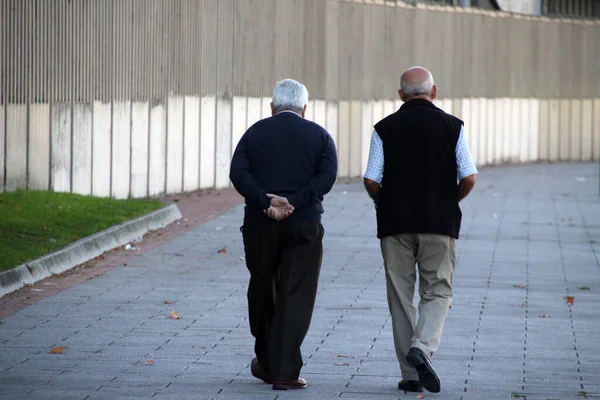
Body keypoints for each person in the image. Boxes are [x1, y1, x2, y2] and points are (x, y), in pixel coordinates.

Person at [363, 67, 477, 394]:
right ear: (434, 92)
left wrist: (386, 203)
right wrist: (448, 201)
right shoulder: (453, 127)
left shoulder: (384, 128)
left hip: (394, 225)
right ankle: (423, 347)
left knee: (400, 297)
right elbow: (468, 176)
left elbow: (372, 179)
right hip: (439, 224)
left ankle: (411, 376)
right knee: (437, 290)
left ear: (400, 95)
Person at [229, 79, 338, 390]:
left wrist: (266, 201)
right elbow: (326, 176)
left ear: (272, 106)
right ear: (304, 108)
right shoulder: (320, 136)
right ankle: (286, 372)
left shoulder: (254, 133)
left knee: (262, 288)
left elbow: (239, 173)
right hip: (304, 224)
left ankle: (265, 361)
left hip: (260, 226)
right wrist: (296, 202)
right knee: (296, 295)